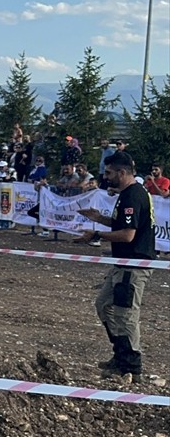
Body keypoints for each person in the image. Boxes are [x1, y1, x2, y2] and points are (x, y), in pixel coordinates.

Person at [75, 152, 156, 382]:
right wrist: (99, 218)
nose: (106, 177)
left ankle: (131, 365)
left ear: (122, 173)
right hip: (122, 263)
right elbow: (123, 223)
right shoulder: (128, 194)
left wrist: (96, 234)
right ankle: (120, 354)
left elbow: (128, 235)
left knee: (126, 314)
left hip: (133, 264)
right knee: (104, 304)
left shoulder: (133, 196)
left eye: (109, 173)